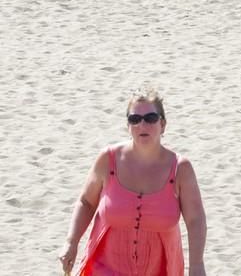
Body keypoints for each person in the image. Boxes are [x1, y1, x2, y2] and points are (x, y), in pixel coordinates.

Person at [58, 89, 207, 276]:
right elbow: (86, 202)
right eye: (134, 119)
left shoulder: (180, 169)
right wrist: (71, 242)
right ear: (128, 125)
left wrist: (197, 265)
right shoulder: (108, 159)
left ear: (163, 124)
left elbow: (195, 220)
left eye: (150, 118)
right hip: (104, 268)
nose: (142, 125)